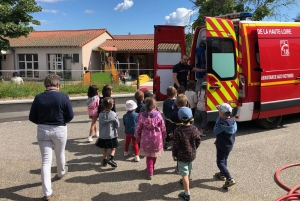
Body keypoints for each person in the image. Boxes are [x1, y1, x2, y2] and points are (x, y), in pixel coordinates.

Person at [29, 74, 74, 200]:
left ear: (46, 85)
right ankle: (60, 172)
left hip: (43, 130)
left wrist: (42, 122)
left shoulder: (38, 98)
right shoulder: (63, 97)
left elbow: (32, 117)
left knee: (45, 161)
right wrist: (61, 120)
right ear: (58, 85)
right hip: (59, 129)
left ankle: (47, 192)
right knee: (60, 154)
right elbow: (70, 115)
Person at [173, 107, 201, 201]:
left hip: (181, 155)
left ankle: (187, 194)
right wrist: (194, 148)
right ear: (191, 117)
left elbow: (176, 144)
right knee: (189, 169)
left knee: (184, 173)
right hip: (192, 154)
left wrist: (174, 154)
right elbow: (198, 141)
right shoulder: (194, 129)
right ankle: (186, 181)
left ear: (179, 118)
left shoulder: (178, 130)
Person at [134, 97, 166, 180]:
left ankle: (150, 171)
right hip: (157, 138)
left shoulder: (142, 115)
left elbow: (138, 127)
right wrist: (164, 136)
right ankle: (151, 168)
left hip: (146, 138)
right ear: (155, 106)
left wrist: (137, 136)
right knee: (154, 155)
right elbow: (163, 127)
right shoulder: (158, 115)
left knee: (148, 156)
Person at [213, 103, 237, 189]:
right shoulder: (233, 122)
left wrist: (219, 118)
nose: (218, 112)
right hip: (229, 145)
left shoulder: (221, 123)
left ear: (223, 113)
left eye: (219, 111)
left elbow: (215, 131)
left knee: (220, 162)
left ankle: (229, 178)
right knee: (225, 159)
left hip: (221, 145)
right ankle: (222, 174)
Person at [95, 97, 120, 168]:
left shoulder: (100, 115)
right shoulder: (114, 114)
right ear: (112, 105)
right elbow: (117, 125)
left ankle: (105, 160)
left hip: (103, 135)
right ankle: (111, 159)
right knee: (113, 147)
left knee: (104, 148)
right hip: (112, 135)